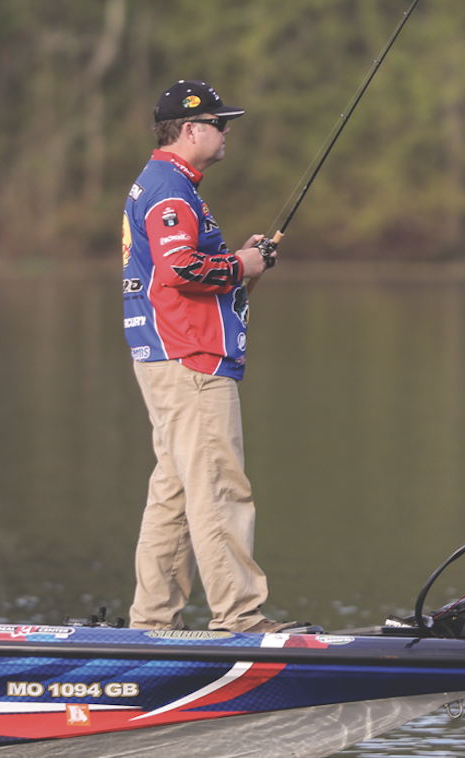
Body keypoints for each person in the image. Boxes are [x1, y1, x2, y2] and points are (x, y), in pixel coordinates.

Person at [120, 79, 307, 633]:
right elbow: (180, 271)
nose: (227, 132)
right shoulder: (172, 193)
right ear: (192, 129)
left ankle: (152, 626)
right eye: (221, 123)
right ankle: (242, 620)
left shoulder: (162, 185)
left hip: (168, 357)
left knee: (175, 495)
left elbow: (181, 271)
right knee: (220, 488)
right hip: (192, 361)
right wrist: (240, 266)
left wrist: (244, 263)